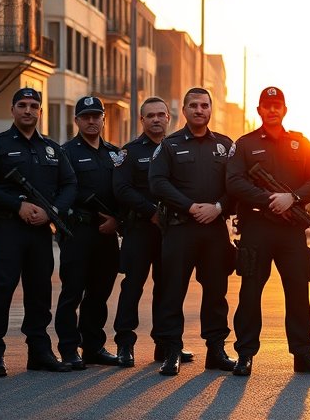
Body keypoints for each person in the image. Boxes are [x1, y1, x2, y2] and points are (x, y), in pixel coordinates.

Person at [0, 87, 77, 376]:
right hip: (7, 228)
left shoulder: (52, 149)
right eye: (22, 105)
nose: (28, 110)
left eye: (33, 105)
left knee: (40, 290)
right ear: (13, 110)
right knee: (3, 287)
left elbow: (70, 184)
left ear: (41, 111)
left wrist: (51, 211)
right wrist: (17, 205)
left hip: (40, 231)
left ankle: (39, 352)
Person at [226, 86, 310, 377]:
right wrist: (269, 200)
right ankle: (245, 354)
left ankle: (303, 355)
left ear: (284, 110)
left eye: (277, 105)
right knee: (250, 293)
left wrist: (292, 198)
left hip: (290, 230)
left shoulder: (300, 142)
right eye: (267, 105)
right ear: (259, 110)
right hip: (257, 227)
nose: (272, 110)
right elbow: (233, 181)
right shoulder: (244, 144)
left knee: (298, 292)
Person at [149, 88, 236, 376]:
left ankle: (216, 351)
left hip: (214, 231)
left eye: (204, 105)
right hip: (180, 230)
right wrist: (190, 207)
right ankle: (171, 351)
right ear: (184, 110)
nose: (199, 110)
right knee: (172, 291)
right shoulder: (170, 145)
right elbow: (157, 182)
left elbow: (236, 184)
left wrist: (219, 207)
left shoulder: (225, 145)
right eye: (194, 105)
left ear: (210, 109)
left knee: (216, 292)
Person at [112, 96, 193, 367]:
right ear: (142, 120)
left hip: (170, 231)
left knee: (168, 287)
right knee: (132, 286)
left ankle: (165, 345)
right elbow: (122, 189)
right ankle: (125, 344)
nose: (156, 119)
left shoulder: (176, 148)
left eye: (161, 114)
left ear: (169, 118)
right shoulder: (130, 152)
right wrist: (151, 212)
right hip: (140, 228)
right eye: (150, 115)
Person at [54, 96, 121, 369]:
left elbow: (122, 192)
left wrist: (117, 221)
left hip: (107, 233)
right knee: (72, 292)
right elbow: (59, 191)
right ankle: (69, 349)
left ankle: (93, 346)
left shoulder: (114, 154)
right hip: (78, 231)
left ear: (104, 119)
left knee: (99, 293)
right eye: (86, 117)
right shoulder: (65, 153)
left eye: (96, 116)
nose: (91, 121)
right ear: (77, 120)